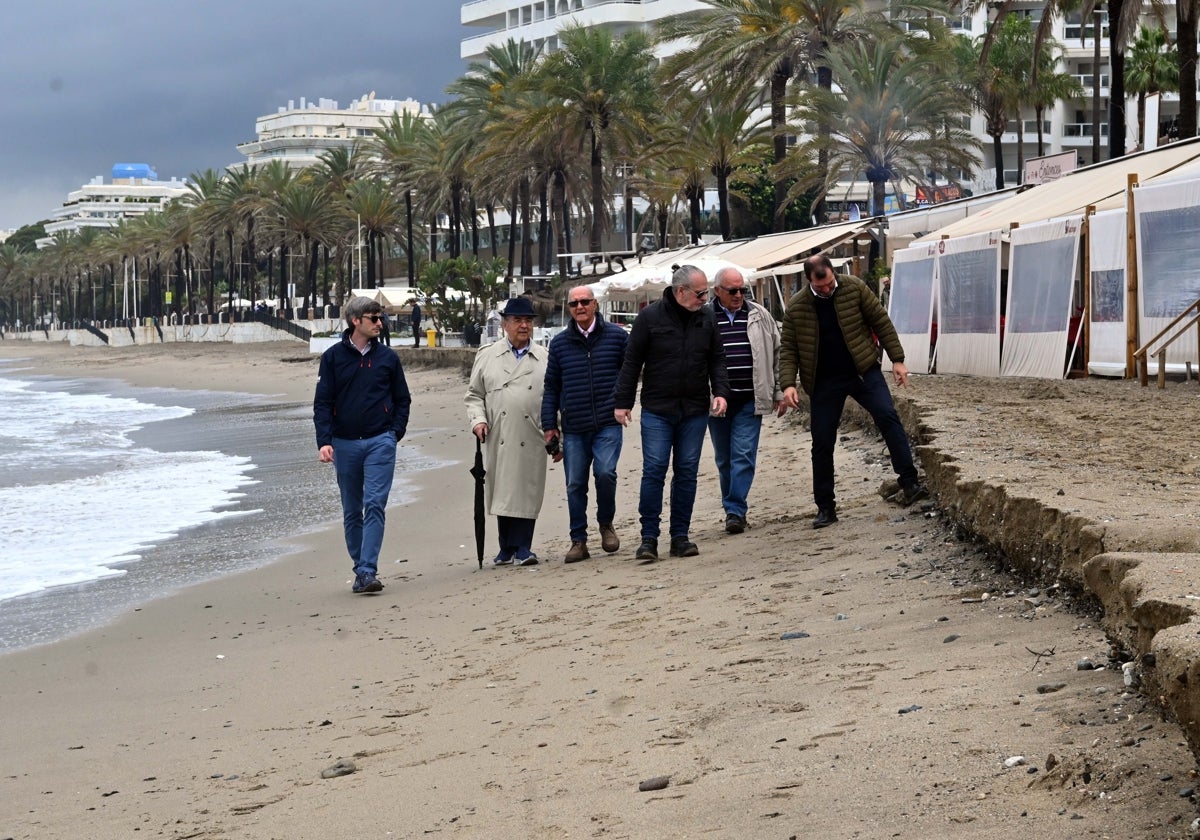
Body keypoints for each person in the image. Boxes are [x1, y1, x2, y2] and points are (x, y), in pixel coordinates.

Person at [779, 254, 928, 530]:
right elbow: (788, 349)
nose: (826, 289)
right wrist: (787, 384)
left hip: (863, 371)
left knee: (888, 417)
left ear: (833, 274)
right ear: (809, 279)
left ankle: (910, 482)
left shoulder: (855, 287)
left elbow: (881, 321)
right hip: (824, 381)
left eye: (829, 283)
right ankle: (825, 507)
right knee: (822, 442)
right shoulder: (797, 306)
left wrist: (897, 359)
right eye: (819, 286)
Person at [614, 265, 729, 562]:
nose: (704, 298)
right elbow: (631, 363)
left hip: (694, 408)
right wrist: (623, 402)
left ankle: (680, 536)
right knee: (654, 470)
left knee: (687, 471)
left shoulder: (707, 316)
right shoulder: (649, 318)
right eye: (700, 293)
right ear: (681, 292)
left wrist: (721, 392)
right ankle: (648, 538)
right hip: (657, 410)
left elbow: (717, 358)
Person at [313, 296, 412, 593]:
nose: (379, 323)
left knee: (375, 504)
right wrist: (324, 441)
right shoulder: (332, 358)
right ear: (356, 320)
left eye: (380, 318)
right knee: (352, 510)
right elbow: (322, 402)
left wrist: (394, 433)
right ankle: (361, 569)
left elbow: (402, 399)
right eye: (374, 318)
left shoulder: (388, 358)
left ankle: (368, 570)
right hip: (344, 444)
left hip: (380, 441)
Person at [542, 284, 629, 563]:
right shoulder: (558, 344)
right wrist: (549, 426)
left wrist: (623, 403)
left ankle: (606, 524)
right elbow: (551, 387)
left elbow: (630, 374)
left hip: (608, 421)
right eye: (574, 303)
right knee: (574, 483)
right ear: (569, 309)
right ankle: (578, 539)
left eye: (585, 302)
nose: (579, 307)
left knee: (605, 473)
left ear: (595, 304)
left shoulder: (617, 337)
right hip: (574, 425)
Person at [465, 297, 553, 566]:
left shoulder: (545, 358)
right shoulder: (487, 355)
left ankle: (524, 547)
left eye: (528, 320)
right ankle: (506, 548)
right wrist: (478, 421)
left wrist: (554, 430)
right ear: (505, 324)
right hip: (499, 432)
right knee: (503, 489)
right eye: (517, 320)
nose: (524, 325)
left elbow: (553, 398)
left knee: (527, 488)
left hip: (532, 432)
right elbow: (474, 395)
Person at [707, 267, 785, 535]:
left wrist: (779, 392)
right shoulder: (704, 317)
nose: (739, 295)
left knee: (743, 454)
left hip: (750, 398)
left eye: (742, 289)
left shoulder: (759, 315)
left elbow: (777, 353)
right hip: (717, 401)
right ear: (717, 291)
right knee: (724, 459)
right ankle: (733, 507)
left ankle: (735, 511)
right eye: (732, 291)